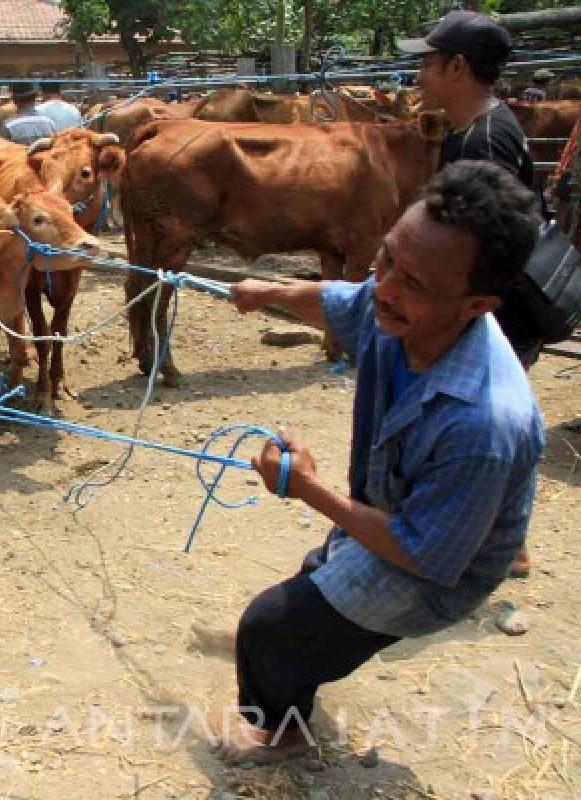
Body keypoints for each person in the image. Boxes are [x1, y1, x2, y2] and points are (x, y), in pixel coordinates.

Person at [198, 161, 543, 766]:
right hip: (400, 516)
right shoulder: (399, 307)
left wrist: (310, 490)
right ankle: (295, 655)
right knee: (320, 572)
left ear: (477, 303)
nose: (385, 287)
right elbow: (345, 302)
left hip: (438, 570)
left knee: (268, 626)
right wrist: (271, 293)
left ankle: (283, 727)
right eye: (385, 260)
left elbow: (424, 555)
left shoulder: (484, 423)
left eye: (414, 282)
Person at [400, 9, 541, 578]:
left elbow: (482, 244)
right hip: (488, 309)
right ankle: (505, 544)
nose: (420, 76)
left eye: (428, 63)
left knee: (472, 430)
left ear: (458, 67)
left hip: (486, 313)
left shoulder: (483, 140)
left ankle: (479, 545)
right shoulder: (483, 127)